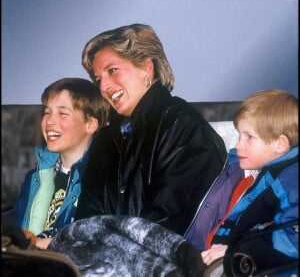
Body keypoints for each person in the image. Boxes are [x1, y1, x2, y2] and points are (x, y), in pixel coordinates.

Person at [75, 23, 227, 236]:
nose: (103, 88)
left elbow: (165, 223)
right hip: (105, 262)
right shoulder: (107, 140)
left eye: (112, 71)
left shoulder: (182, 126)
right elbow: (87, 216)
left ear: (147, 67)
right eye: (98, 79)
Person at [185, 89, 298, 275]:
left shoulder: (291, 179)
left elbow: (293, 238)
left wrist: (237, 251)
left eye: (249, 137)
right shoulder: (257, 175)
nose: (238, 145)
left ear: (280, 144)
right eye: (239, 136)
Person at [3, 77, 109, 249]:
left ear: (90, 124)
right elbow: (14, 225)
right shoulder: (35, 177)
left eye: (62, 113)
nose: (50, 121)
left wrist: (32, 244)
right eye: (47, 112)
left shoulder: (101, 178)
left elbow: (93, 238)